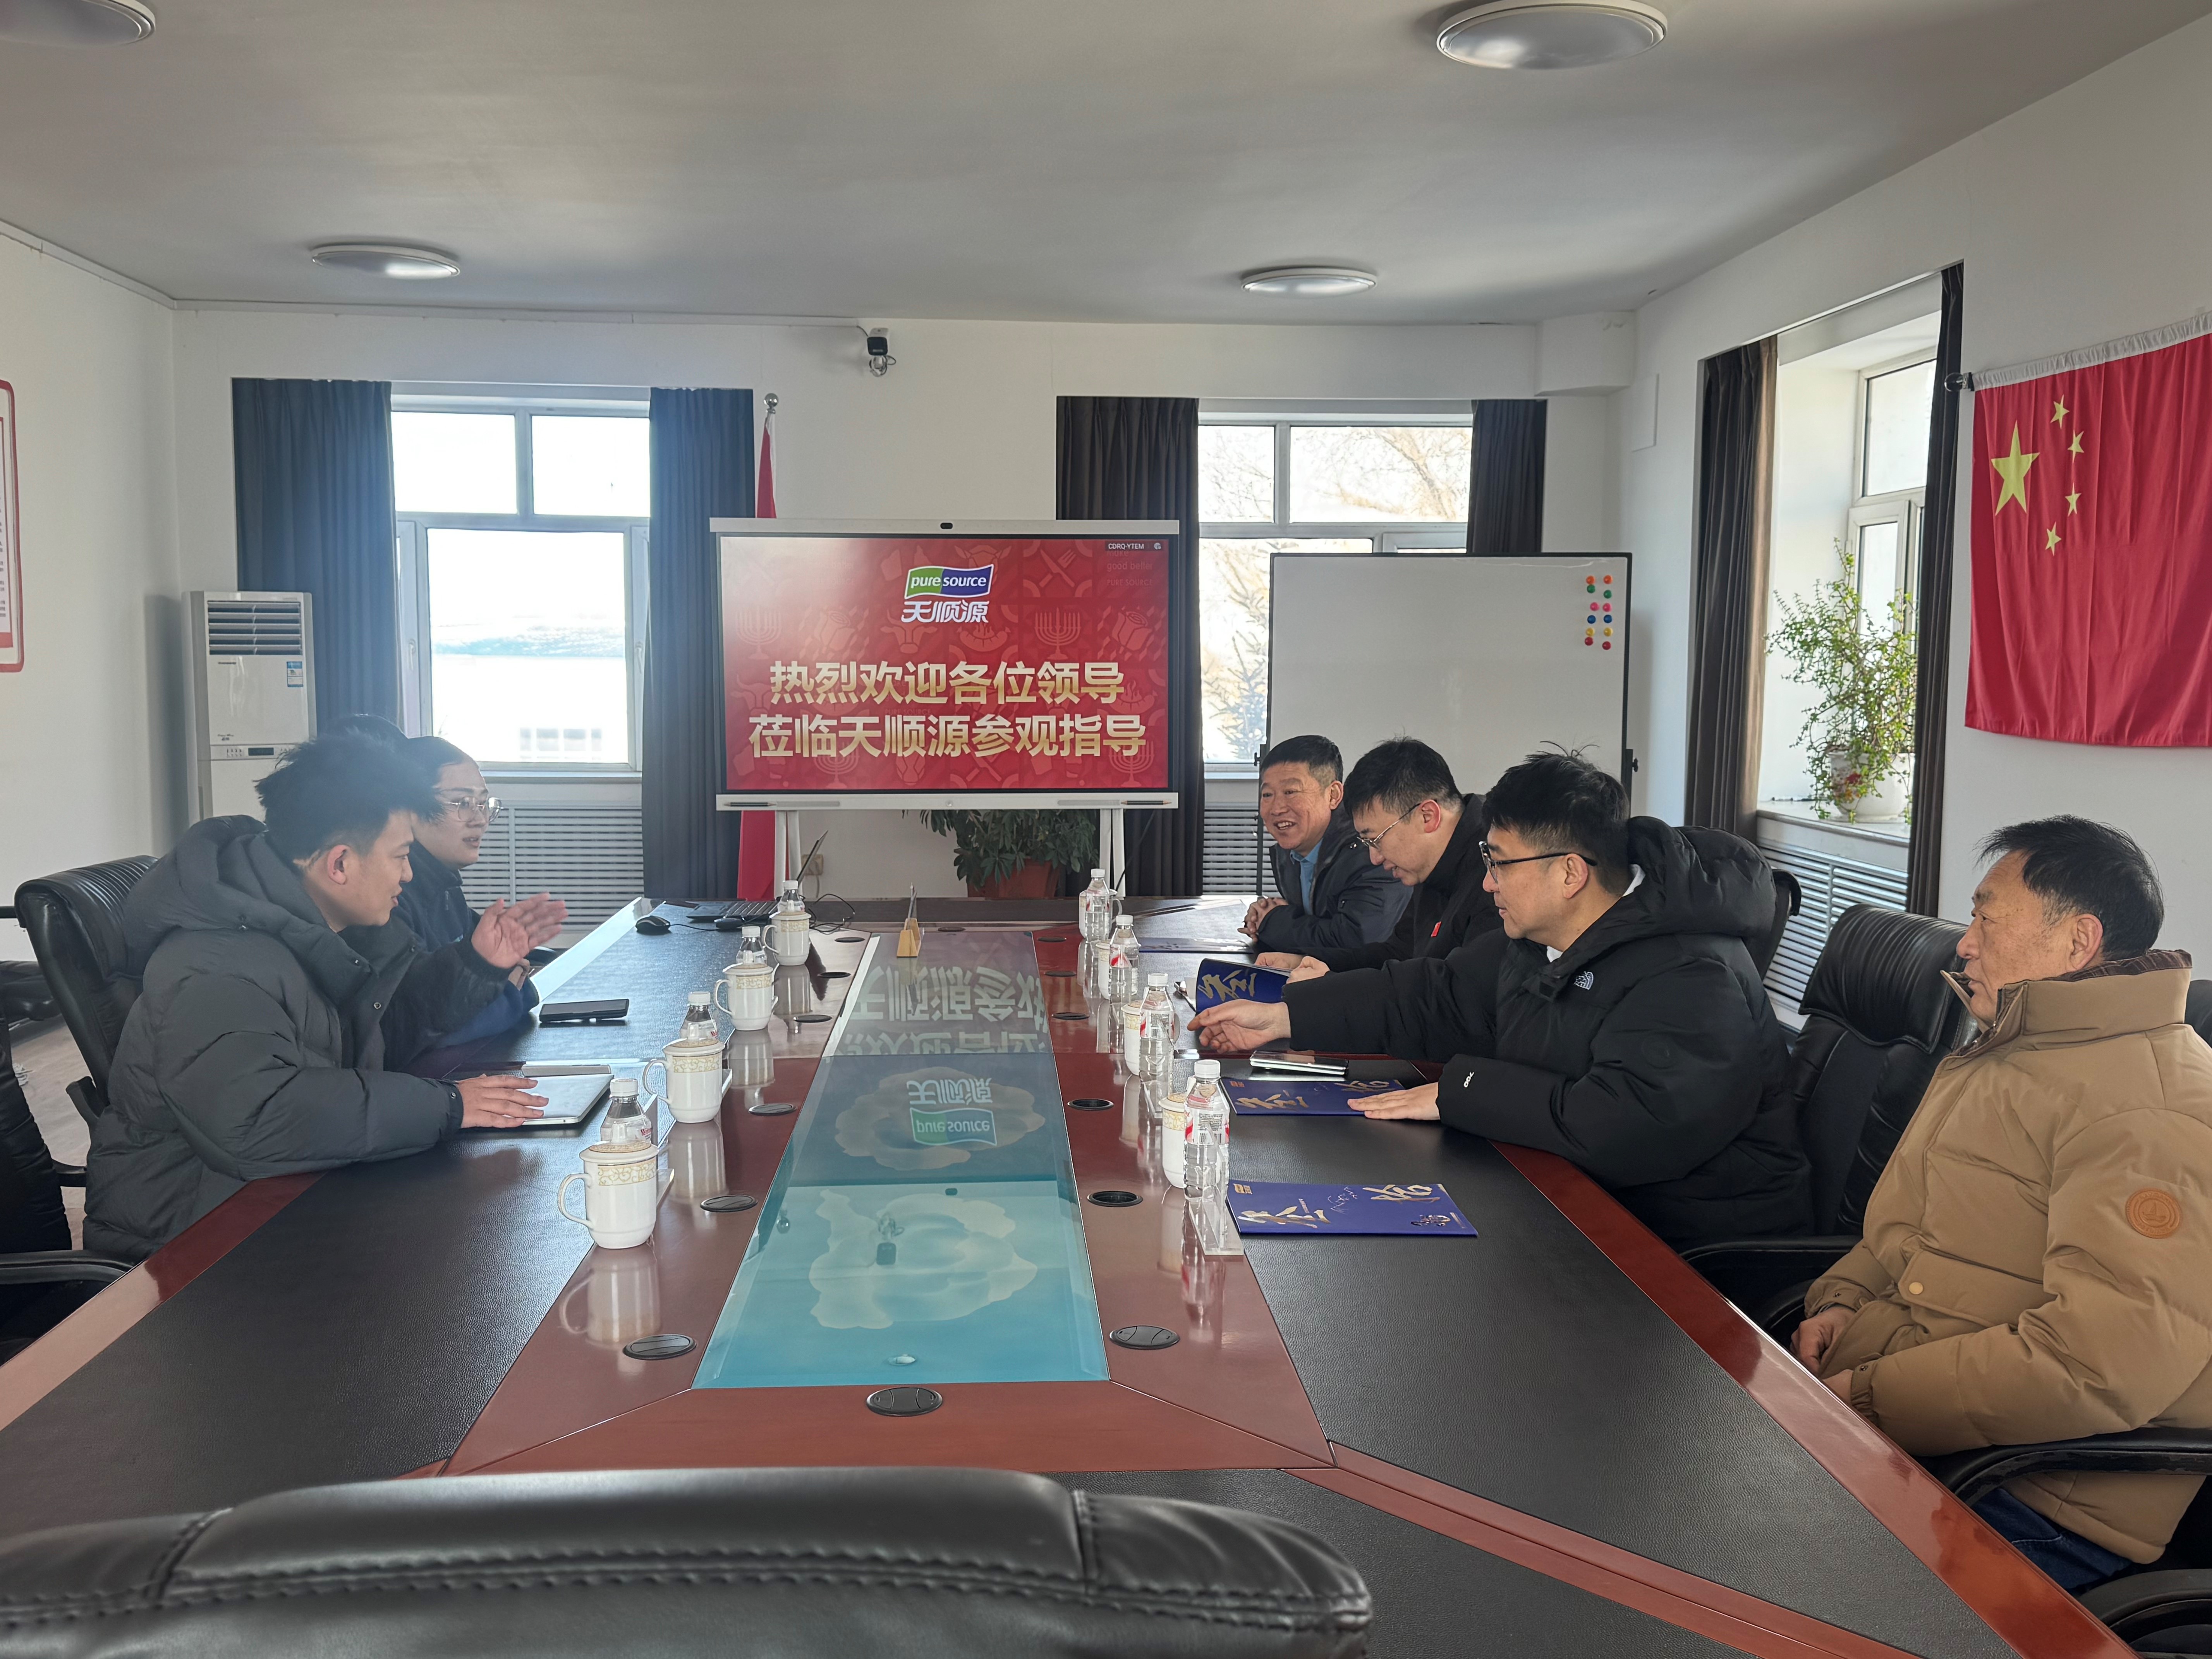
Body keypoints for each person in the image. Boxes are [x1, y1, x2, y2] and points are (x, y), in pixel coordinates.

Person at [1792, 818, 2212, 1589]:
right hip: (1924, 1433)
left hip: (2031, 1496)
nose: (1965, 944)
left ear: (2078, 941)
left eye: (1988, 918)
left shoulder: (2149, 1110)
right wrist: (1843, 1297)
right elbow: (1905, 1229)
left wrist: (1872, 1394)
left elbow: (2099, 1363)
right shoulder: (2010, 1053)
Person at [1195, 750, 1810, 1249]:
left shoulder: (1694, 974)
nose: (1487, 883)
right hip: (1561, 1197)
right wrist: (1284, 1016)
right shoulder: (1540, 936)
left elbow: (1623, 1127)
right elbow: (1431, 994)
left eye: (1501, 864)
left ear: (1570, 873)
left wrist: (1461, 1090)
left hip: (1682, 1246)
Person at [86, 735, 560, 1260]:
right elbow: (259, 1118)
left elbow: (382, 1034)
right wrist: (447, 1106)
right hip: (190, 1241)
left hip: (283, 1193)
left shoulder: (322, 929)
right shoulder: (214, 964)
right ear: (340, 864)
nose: (408, 874)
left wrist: (475, 965)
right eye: (401, 855)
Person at [1255, 737, 1496, 979]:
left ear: (1427, 816)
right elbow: (1399, 953)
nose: (1375, 858)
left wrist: (1328, 984)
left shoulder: (1493, 871)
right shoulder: (1429, 863)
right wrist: (1305, 962)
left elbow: (1455, 991)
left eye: (1376, 840)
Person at [391, 735, 563, 1051]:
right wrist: (511, 997)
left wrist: (505, 989)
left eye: (483, 804)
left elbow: (514, 978)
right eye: (463, 803)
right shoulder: (390, 898)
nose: (481, 820)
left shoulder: (445, 886)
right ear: (410, 808)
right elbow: (423, 1030)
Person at [1240, 734, 1409, 957]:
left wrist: (1272, 922)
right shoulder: (1291, 851)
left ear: (1333, 795)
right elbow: (1314, 921)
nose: (1277, 808)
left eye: (1291, 792)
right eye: (1267, 794)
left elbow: (1356, 942)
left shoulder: (1371, 851)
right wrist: (1268, 914)